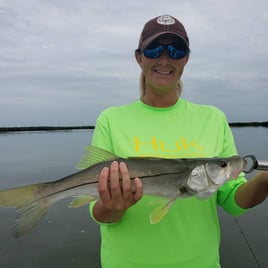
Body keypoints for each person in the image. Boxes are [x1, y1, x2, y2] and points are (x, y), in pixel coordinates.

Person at [89, 14, 268, 268]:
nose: (164, 59)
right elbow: (100, 214)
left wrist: (266, 179)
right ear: (139, 57)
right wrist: (114, 206)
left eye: (176, 50)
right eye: (153, 49)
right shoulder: (110, 119)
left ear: (186, 58)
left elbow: (234, 201)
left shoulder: (213, 118)